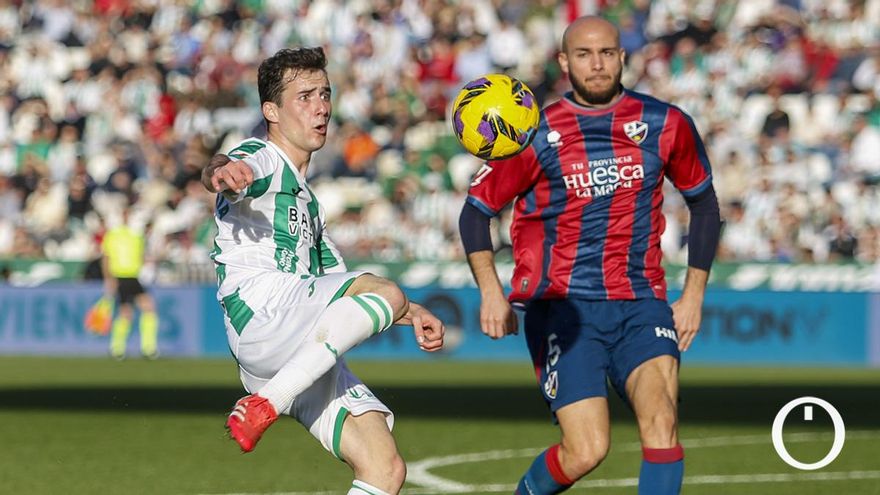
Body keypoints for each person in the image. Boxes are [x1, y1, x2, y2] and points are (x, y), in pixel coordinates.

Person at [458, 16, 721, 495]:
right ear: (564, 61)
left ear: (623, 57)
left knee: (661, 420)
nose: (597, 64)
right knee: (587, 450)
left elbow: (704, 203)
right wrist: (491, 293)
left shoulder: (665, 123)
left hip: (642, 301)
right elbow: (475, 213)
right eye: (583, 54)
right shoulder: (531, 134)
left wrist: (694, 295)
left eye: (606, 53)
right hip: (563, 308)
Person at [200, 47, 445, 495]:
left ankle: (267, 399)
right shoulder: (264, 158)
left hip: (291, 340)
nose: (321, 107)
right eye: (305, 96)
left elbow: (350, 290)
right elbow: (230, 167)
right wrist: (224, 171)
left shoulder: (310, 206)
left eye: (325, 94)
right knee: (386, 292)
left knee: (384, 467)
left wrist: (412, 311)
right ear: (270, 110)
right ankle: (265, 406)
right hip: (263, 318)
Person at [101, 207, 159, 360]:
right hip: (120, 276)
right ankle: (117, 348)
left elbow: (140, 257)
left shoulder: (136, 236)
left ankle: (148, 348)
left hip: (134, 277)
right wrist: (109, 278)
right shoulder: (113, 235)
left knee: (148, 308)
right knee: (126, 313)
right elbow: (106, 257)